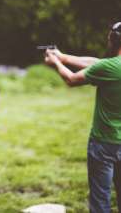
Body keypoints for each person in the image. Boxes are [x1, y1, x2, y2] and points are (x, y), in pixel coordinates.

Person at [44, 22, 121, 213]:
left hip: (104, 142)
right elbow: (97, 63)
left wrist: (56, 63)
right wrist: (63, 56)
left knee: (100, 200)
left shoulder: (109, 68)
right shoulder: (110, 67)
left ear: (113, 40)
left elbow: (71, 79)